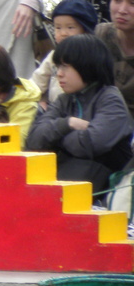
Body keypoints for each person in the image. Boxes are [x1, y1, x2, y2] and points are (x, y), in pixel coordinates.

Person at [26, 34, 133, 194]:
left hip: (102, 191)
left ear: (87, 65)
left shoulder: (110, 98)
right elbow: (34, 139)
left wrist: (56, 142)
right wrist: (68, 123)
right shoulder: (64, 100)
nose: (59, 74)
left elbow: (90, 144)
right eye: (57, 67)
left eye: (65, 66)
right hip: (68, 180)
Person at [30, 0, 97, 105]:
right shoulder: (53, 56)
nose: (63, 33)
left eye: (70, 27)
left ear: (86, 31)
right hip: (54, 111)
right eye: (58, 28)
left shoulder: (93, 57)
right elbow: (36, 84)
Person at [95, 0, 134, 114]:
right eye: (117, 1)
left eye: (132, 3)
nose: (122, 10)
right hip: (99, 120)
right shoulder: (100, 36)